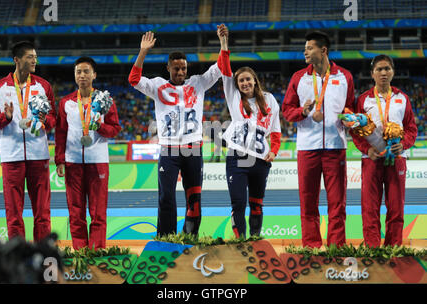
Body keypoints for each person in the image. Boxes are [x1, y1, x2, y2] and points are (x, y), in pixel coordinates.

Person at [128, 28, 226, 236]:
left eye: (183, 68)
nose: (181, 73)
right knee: (166, 197)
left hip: (193, 148)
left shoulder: (198, 83)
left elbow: (220, 68)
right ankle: (166, 239)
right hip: (169, 150)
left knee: (194, 198)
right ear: (168, 68)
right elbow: (134, 80)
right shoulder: (157, 86)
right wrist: (143, 52)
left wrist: (223, 43)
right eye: (176, 69)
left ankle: (190, 238)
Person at [282, 31, 355, 248]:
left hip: (336, 147)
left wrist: (349, 118)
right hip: (307, 148)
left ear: (323, 51)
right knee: (308, 203)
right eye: (305, 48)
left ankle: (336, 248)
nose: (305, 51)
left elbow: (350, 107)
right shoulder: (298, 78)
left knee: (337, 204)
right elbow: (287, 110)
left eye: (310, 48)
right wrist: (303, 113)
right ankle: (311, 247)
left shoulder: (345, 77)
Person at [0, 41, 56, 242]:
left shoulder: (44, 86)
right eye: (30, 57)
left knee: (42, 212)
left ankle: (43, 252)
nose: (35, 60)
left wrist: (45, 121)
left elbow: (53, 119)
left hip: (39, 155)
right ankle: (18, 255)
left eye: (35, 56)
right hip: (11, 156)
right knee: (14, 213)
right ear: (17, 60)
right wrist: (5, 118)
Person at [217, 25, 282, 238]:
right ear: (236, 84)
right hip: (237, 158)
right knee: (238, 204)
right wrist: (224, 42)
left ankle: (255, 241)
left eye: (248, 79)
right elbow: (225, 69)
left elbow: (275, 130)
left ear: (255, 80)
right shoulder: (233, 97)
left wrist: (274, 151)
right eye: (241, 80)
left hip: (261, 160)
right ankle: (240, 243)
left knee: (257, 205)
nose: (245, 83)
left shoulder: (270, 99)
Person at [350, 55, 417, 247]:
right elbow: (355, 131)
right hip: (371, 159)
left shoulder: (402, 98)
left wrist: (403, 144)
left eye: (387, 68)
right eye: (379, 69)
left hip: (397, 158)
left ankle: (393, 247)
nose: (383, 73)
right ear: (372, 74)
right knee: (370, 207)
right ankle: (372, 247)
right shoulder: (363, 99)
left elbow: (411, 128)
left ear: (393, 72)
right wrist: (366, 148)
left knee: (396, 206)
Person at [55, 57, 121, 249]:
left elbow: (115, 128)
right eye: (78, 72)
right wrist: (60, 160)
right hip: (72, 162)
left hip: (98, 161)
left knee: (98, 211)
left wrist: (100, 126)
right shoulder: (66, 102)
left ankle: (97, 251)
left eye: (86, 71)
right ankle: (80, 252)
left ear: (94, 75)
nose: (82, 75)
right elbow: (60, 133)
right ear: (75, 76)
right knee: (76, 211)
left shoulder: (105, 101)